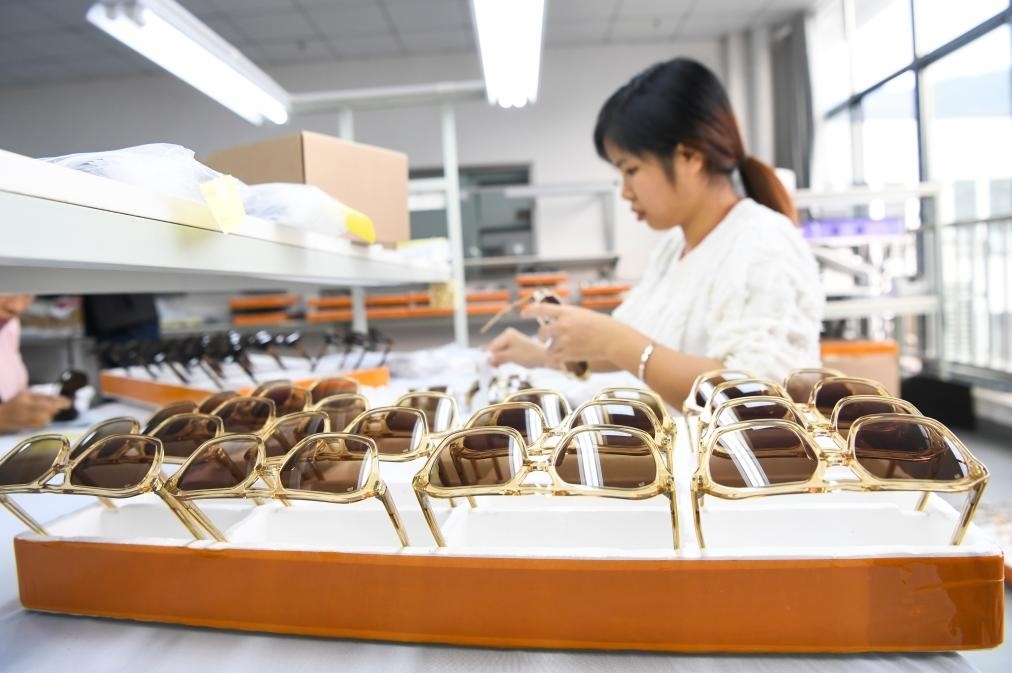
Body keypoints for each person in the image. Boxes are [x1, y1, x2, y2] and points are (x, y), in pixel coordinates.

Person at [486, 57, 824, 409]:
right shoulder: (673, 248)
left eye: (631, 170)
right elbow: (630, 343)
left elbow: (753, 395)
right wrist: (542, 353)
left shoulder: (764, 243)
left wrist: (614, 340)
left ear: (690, 157)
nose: (625, 191)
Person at [0, 294, 72, 433]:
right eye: (3, 291)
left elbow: (14, 392)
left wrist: (36, 406)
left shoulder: (8, 325)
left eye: (28, 295)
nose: (17, 307)